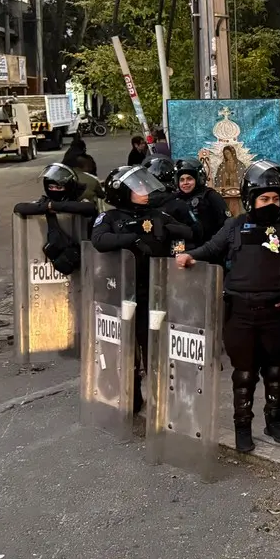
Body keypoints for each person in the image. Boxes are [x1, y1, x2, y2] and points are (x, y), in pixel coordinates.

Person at [176, 161, 280, 452]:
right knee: (244, 373)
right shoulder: (235, 226)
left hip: (275, 312)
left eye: (276, 198)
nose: (270, 203)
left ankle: (274, 421)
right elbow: (211, 250)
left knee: (276, 370)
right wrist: (189, 256)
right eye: (264, 198)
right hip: (239, 312)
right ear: (250, 198)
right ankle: (242, 426)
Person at [91, 166, 196, 414]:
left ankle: (160, 397)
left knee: (153, 347)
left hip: (153, 293)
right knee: (125, 349)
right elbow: (99, 240)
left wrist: (170, 229)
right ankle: (131, 394)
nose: (144, 192)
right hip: (121, 295)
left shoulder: (156, 213)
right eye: (137, 188)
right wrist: (132, 237)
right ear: (122, 192)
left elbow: (190, 231)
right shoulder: (110, 218)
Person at [13, 163, 99, 251]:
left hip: (80, 251)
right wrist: (46, 207)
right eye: (51, 187)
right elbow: (19, 207)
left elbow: (89, 208)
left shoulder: (79, 202)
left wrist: (53, 206)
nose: (54, 190)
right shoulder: (44, 202)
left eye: (58, 187)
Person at [166, 158, 229, 243]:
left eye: (189, 179)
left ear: (198, 179)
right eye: (182, 180)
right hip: (182, 249)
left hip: (209, 249)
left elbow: (226, 226)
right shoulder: (175, 199)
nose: (185, 183)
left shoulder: (210, 196)